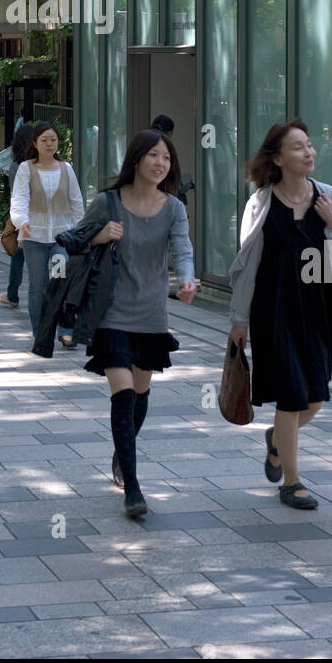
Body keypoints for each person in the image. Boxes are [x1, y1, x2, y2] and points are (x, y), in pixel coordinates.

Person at [55, 129, 196, 518]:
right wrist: (99, 235)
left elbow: (183, 248)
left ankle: (123, 451)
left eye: (166, 158)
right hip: (112, 311)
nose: (160, 163)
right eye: (153, 155)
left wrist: (187, 278)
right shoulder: (108, 202)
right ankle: (132, 487)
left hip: (151, 314)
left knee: (140, 392)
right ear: (136, 159)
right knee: (123, 393)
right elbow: (69, 240)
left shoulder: (173, 208)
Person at [228, 119, 332, 511]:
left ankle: (277, 442)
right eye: (298, 147)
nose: (308, 152)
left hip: (315, 310)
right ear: (277, 159)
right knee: (292, 396)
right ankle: (292, 483)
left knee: (314, 396)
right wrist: (238, 320)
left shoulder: (327, 197)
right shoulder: (260, 203)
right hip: (272, 310)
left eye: (309, 145)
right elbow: (247, 266)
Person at [9, 121, 84, 347]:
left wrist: (81, 234)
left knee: (61, 281)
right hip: (34, 238)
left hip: (61, 238)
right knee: (37, 286)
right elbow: (19, 200)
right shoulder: (26, 169)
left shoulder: (66, 169)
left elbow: (76, 203)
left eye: (53, 139)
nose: (49, 144)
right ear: (35, 143)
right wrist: (21, 222)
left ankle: (66, 330)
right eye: (44, 140)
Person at [0, 122, 34, 309]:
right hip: (40, 217)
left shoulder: (17, 166)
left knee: (18, 257)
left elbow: (15, 195)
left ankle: (12, 294)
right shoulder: (40, 165)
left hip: (24, 218)